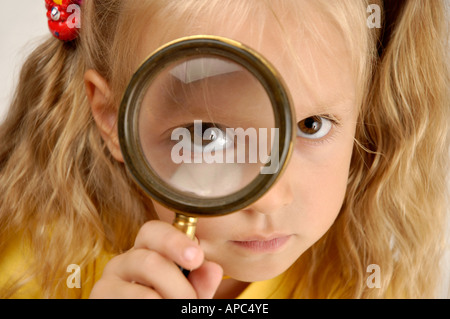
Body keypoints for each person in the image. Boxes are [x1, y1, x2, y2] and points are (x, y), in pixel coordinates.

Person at [0, 0, 448, 299]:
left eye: (311, 125)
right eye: (206, 135)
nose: (270, 196)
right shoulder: (31, 269)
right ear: (114, 118)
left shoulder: (364, 280)